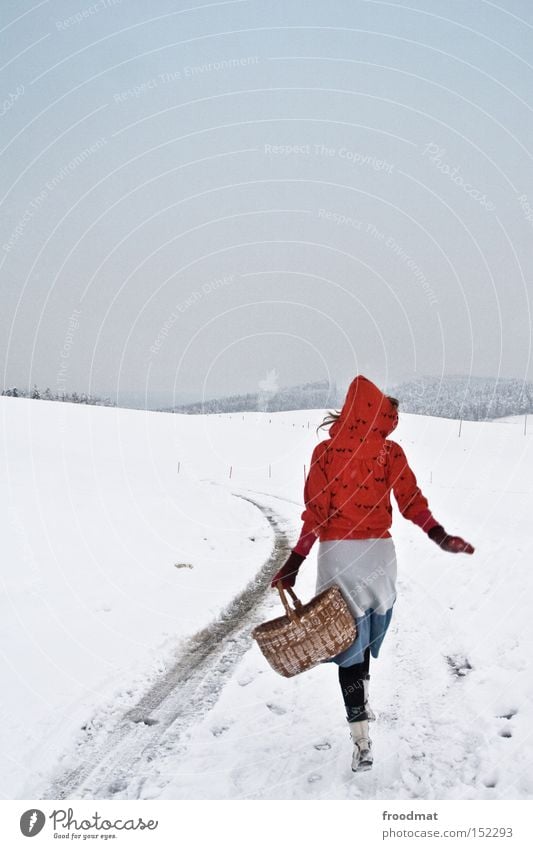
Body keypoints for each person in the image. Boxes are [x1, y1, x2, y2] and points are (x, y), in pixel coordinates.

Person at [271, 375, 475, 772]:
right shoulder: (390, 452)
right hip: (379, 557)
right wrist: (439, 535)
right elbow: (411, 501)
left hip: (338, 556)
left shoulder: (326, 453)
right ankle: (363, 703)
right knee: (362, 634)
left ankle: (360, 735)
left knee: (344, 638)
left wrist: (294, 562)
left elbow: (316, 511)